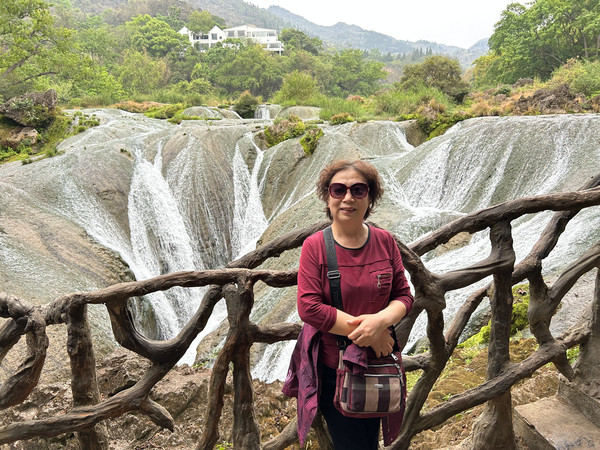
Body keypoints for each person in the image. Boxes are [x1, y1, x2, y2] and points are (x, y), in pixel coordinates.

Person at [282, 159, 414, 449]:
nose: (348, 198)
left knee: (369, 441)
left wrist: (379, 323)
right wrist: (371, 334)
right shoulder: (315, 246)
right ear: (328, 197)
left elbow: (404, 296)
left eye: (358, 190)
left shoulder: (385, 241)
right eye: (338, 190)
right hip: (336, 370)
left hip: (378, 365)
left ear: (370, 198)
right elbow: (308, 307)